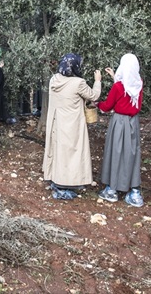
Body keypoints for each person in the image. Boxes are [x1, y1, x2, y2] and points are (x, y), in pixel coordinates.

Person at [43, 54, 102, 200]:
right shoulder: (78, 83)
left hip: (57, 122)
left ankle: (55, 179)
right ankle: (68, 183)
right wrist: (97, 81)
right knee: (72, 154)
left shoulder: (54, 80)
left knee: (58, 152)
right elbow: (94, 96)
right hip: (72, 124)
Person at [96, 53, 144, 207]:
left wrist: (97, 104)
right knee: (132, 153)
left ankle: (112, 189)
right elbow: (127, 90)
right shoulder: (138, 84)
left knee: (116, 152)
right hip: (133, 122)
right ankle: (134, 191)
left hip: (119, 122)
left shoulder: (118, 87)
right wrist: (115, 77)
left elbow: (108, 105)